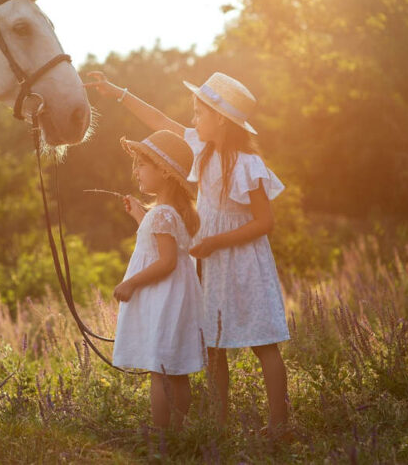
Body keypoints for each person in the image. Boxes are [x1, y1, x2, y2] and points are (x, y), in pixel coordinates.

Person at [87, 71, 290, 436]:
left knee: (263, 343)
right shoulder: (203, 150)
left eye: (200, 113)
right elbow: (159, 122)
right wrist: (118, 93)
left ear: (221, 120)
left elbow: (264, 222)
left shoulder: (247, 165)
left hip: (242, 262)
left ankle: (279, 424)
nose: (193, 120)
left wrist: (216, 242)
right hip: (209, 261)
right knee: (212, 344)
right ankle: (219, 423)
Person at [112, 130, 204, 431]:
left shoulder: (163, 213)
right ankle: (178, 432)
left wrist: (131, 283)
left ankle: (163, 438)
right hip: (174, 297)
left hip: (165, 299)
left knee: (160, 371)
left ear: (164, 171)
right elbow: (161, 246)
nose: (135, 171)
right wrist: (141, 216)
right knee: (174, 370)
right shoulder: (169, 212)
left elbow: (166, 261)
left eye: (141, 165)